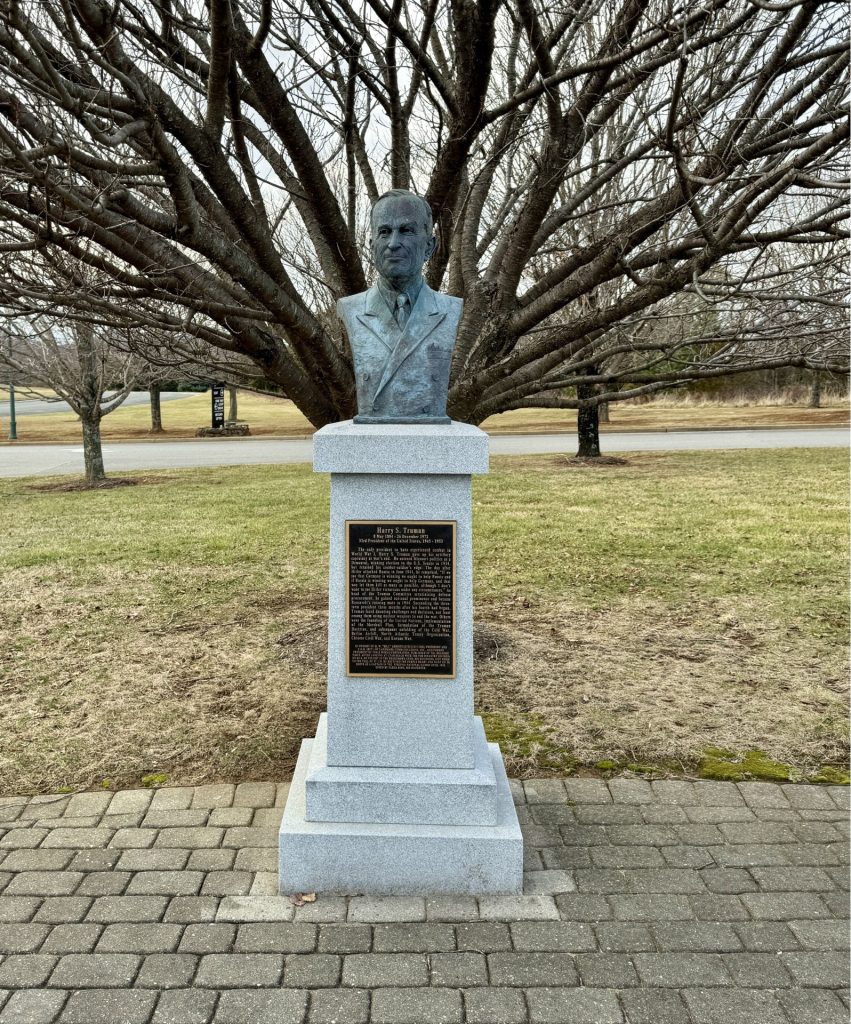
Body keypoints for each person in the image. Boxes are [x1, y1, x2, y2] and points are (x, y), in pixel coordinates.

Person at [337, 189, 462, 423]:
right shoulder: (351, 309)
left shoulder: (450, 310)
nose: (393, 243)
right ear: (372, 244)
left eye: (406, 231)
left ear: (429, 246)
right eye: (385, 232)